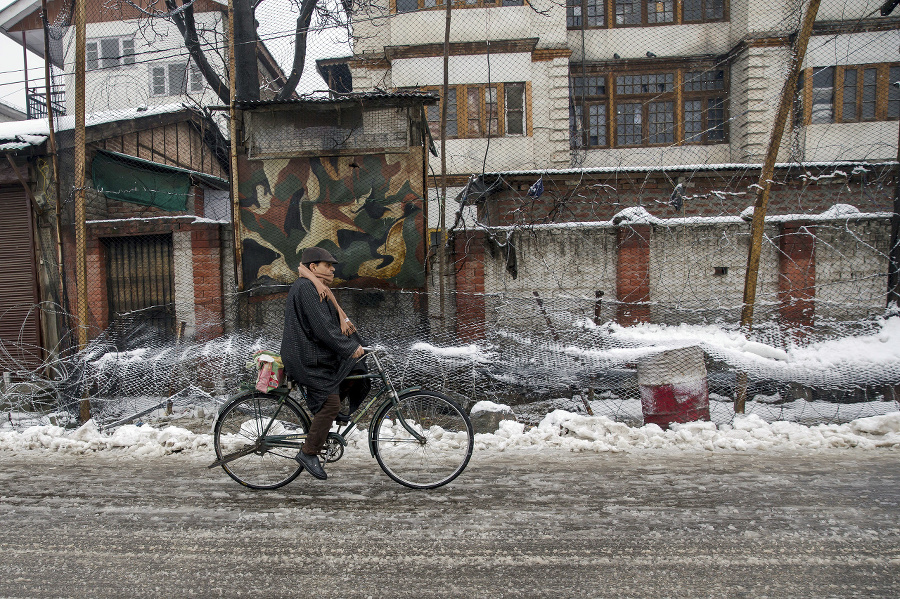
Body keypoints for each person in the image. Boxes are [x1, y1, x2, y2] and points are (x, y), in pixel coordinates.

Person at [280, 247, 369, 480]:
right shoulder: (307, 288)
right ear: (313, 267)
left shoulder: (317, 287)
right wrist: (350, 347)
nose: (332, 269)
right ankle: (309, 453)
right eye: (327, 265)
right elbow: (323, 328)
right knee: (330, 402)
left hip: (311, 353)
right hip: (305, 357)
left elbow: (330, 326)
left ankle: (331, 412)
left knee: (351, 369)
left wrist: (356, 346)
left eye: (333, 266)